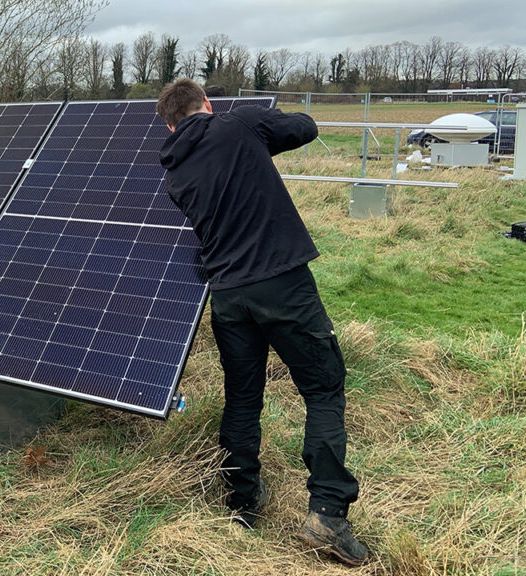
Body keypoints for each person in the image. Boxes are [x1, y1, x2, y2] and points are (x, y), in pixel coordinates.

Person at [155, 78, 368, 567]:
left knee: (243, 395)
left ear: (169, 123)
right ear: (207, 105)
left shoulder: (174, 173)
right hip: (282, 285)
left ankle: (243, 501)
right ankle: (328, 514)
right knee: (323, 388)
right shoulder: (240, 123)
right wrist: (257, 133)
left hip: (228, 297)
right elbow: (306, 128)